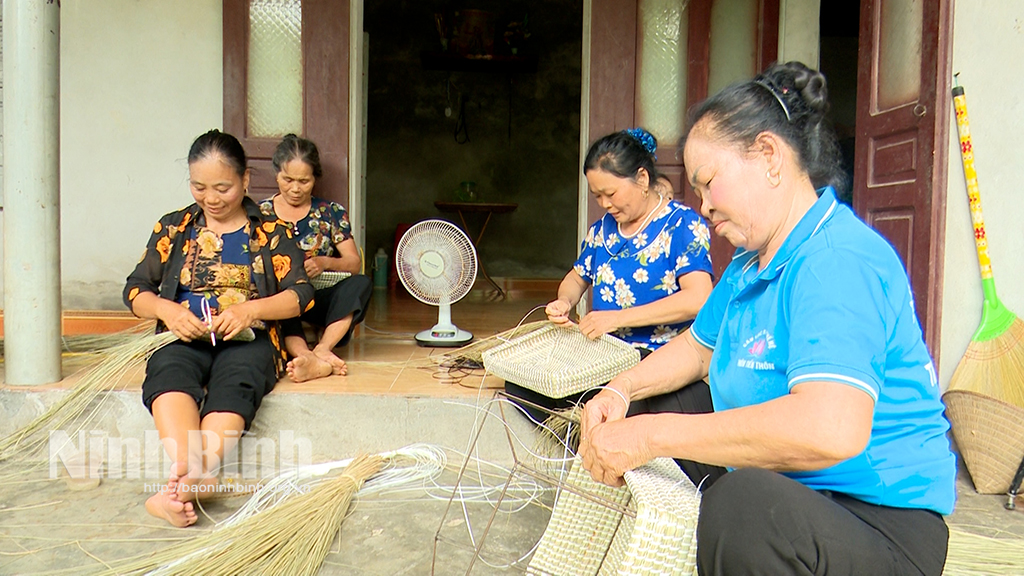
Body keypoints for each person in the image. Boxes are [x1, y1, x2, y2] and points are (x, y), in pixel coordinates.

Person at [578, 62, 956, 575]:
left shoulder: (836, 259)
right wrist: (619, 391)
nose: (705, 207)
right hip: (797, 495)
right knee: (659, 401)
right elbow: (697, 349)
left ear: (769, 158)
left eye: (709, 184)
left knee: (743, 506)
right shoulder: (748, 262)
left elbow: (831, 428)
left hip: (877, 526)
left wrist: (650, 437)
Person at [124, 129, 315, 527]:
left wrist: (250, 311)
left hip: (249, 338)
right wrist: (168, 311)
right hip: (185, 333)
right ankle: (190, 472)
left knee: (240, 378)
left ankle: (181, 485)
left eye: (223, 187)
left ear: (245, 181)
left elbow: (301, 293)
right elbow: (135, 291)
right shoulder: (174, 229)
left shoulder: (270, 232)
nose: (211, 197)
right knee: (169, 371)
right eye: (199, 187)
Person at [505, 127, 714, 426]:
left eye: (611, 193)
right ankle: (584, 442)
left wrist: (617, 318)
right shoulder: (602, 230)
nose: (604, 204)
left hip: (657, 360)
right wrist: (564, 301)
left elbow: (698, 299)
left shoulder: (681, 225)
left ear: (642, 179)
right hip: (602, 355)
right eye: (597, 195)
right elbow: (577, 279)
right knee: (522, 389)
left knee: (628, 408)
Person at [259, 134, 372, 382]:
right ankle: (305, 357)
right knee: (277, 300)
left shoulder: (330, 213)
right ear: (276, 174)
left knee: (360, 283)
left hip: (319, 296)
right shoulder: (260, 214)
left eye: (304, 181)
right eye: (287, 179)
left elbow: (353, 263)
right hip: (284, 298)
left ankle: (322, 349)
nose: (295, 188)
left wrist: (324, 262)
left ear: (314, 179)